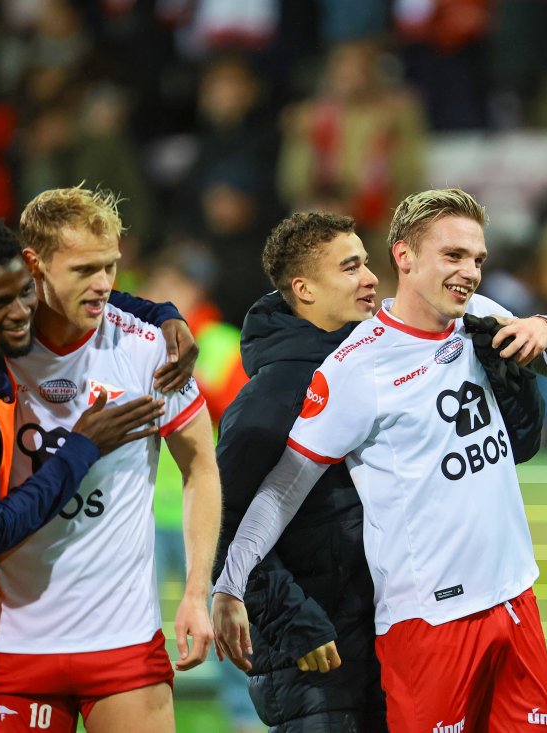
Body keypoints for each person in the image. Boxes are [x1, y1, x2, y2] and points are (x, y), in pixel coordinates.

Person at [213, 188, 547, 732]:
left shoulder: (479, 316)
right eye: (454, 256)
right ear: (405, 256)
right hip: (429, 619)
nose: (471, 273)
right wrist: (230, 582)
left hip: (514, 596)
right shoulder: (354, 368)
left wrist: (546, 328)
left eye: (478, 259)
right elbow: (281, 489)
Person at [0, 186, 222, 733]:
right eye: (85, 269)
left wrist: (197, 592)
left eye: (111, 266)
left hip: (124, 644)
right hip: (14, 643)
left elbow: (201, 467)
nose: (104, 285)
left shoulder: (150, 349)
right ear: (33, 265)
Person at [0, 212, 170, 733]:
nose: (20, 314)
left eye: (22, 293)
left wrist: (164, 312)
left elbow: (68, 289)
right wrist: (81, 447)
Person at [214, 212, 385, 732]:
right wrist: (296, 622)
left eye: (367, 263)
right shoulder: (271, 396)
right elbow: (224, 522)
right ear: (304, 289)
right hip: (317, 653)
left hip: (383, 634)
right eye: (350, 267)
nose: (370, 277)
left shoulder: (376, 371)